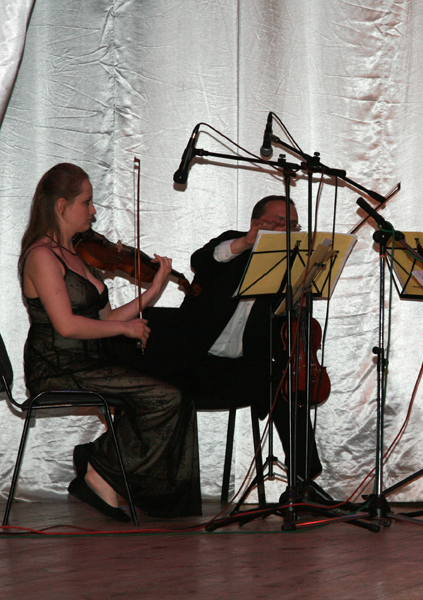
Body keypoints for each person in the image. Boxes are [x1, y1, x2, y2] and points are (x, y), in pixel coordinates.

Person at [19, 163, 201, 522]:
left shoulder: (77, 253)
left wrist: (153, 290)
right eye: (86, 202)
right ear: (61, 206)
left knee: (175, 392)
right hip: (57, 365)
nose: (93, 211)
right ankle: (100, 468)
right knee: (165, 398)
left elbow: (104, 318)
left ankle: (105, 469)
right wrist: (126, 329)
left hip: (89, 362)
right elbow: (67, 326)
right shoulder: (41, 256)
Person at [136, 195, 323, 485]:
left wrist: (300, 294)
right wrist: (247, 241)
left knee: (284, 386)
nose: (286, 229)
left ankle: (304, 481)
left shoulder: (290, 265)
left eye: (293, 225)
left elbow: (284, 329)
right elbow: (202, 260)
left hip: (238, 368)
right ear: (255, 222)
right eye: (278, 222)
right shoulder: (234, 244)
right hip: (193, 362)